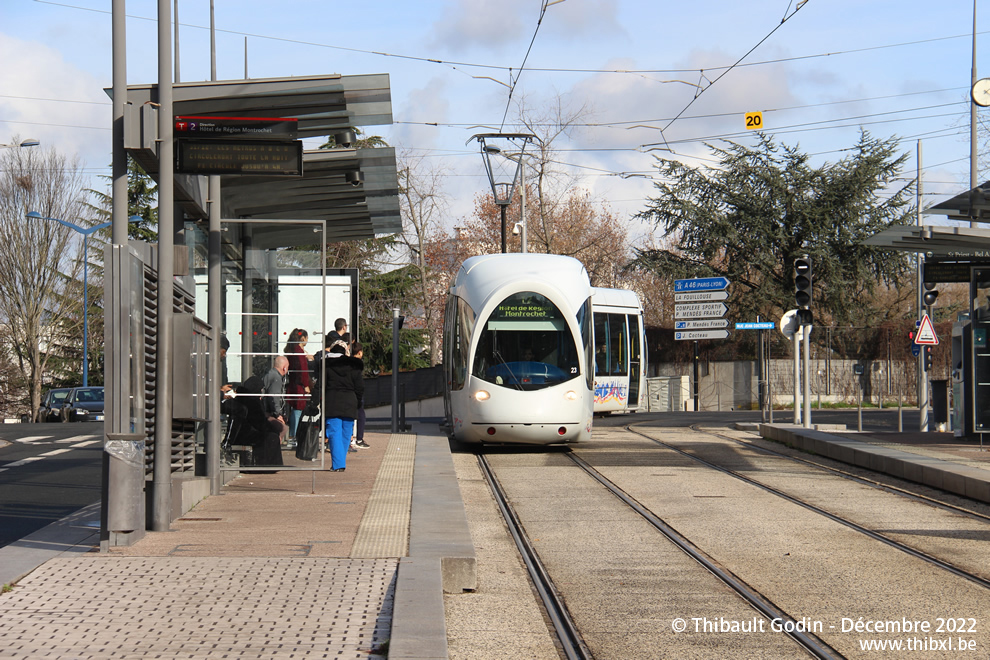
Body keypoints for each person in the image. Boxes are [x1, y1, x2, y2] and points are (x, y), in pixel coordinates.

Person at [320, 339, 364, 471]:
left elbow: (320, 386)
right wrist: (357, 401)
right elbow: (360, 387)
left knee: (334, 432)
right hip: (350, 401)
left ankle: (338, 464)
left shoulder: (326, 366)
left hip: (332, 401)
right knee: (346, 433)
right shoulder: (354, 366)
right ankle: (340, 462)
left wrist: (315, 402)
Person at [283, 328, 312, 447]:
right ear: (303, 338)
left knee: (295, 410)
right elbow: (303, 370)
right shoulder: (299, 352)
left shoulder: (292, 350)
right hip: (299, 386)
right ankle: (293, 436)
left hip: (293, 383)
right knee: (298, 410)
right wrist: (306, 385)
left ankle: (292, 435)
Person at [262, 355, 290, 444]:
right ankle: (274, 445)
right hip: (267, 412)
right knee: (283, 428)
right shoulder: (277, 378)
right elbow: (274, 397)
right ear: (284, 368)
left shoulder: (270, 374)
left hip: (265, 410)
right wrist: (278, 414)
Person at [351, 341, 370, 450]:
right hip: (356, 393)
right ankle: (359, 439)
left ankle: (351, 438)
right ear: (359, 352)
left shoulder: (347, 362)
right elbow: (359, 383)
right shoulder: (358, 364)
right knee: (361, 415)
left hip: (348, 392)